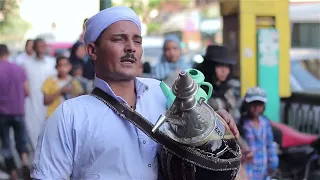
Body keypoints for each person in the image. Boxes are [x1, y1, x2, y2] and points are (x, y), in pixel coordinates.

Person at [31, 6, 239, 179]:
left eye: (137, 41)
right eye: (119, 39)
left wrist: (216, 123)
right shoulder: (69, 117)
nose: (131, 47)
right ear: (93, 50)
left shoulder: (163, 94)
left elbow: (200, 142)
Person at [0, 44, 31, 180]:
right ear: (8, 53)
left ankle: (12, 171)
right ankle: (25, 164)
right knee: (21, 140)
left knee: (6, 143)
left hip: (2, 112)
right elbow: (27, 91)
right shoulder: (19, 69)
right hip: (18, 110)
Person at [22, 38, 57, 149]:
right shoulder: (26, 64)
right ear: (34, 48)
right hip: (32, 103)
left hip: (51, 102)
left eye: (43, 46)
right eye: (38, 46)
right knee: (33, 131)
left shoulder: (52, 63)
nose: (41, 49)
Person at [238, 87, 279, 180]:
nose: (256, 108)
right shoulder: (241, 124)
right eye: (253, 104)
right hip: (247, 170)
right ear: (247, 105)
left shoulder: (265, 123)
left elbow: (269, 145)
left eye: (259, 104)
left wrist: (273, 164)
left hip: (264, 171)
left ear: (263, 106)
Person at [196, 45, 239, 119]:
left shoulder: (228, 89)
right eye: (219, 66)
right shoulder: (199, 91)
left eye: (227, 66)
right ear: (210, 67)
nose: (224, 71)